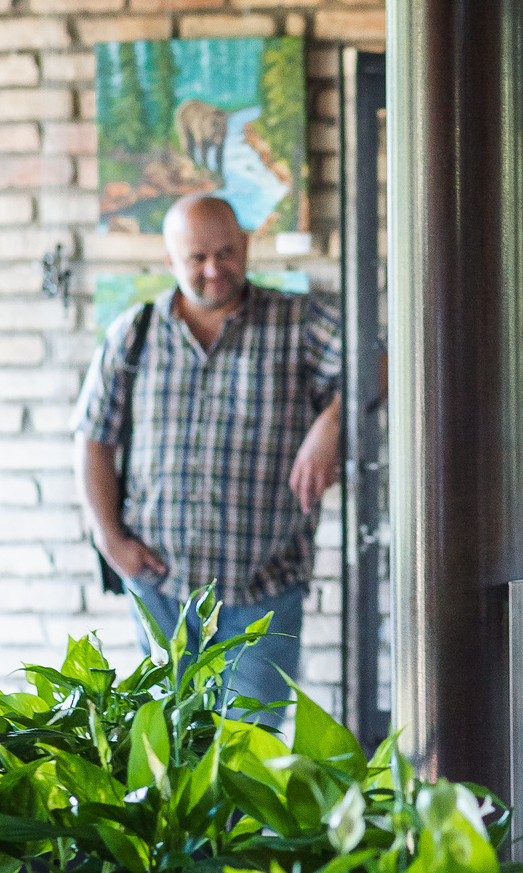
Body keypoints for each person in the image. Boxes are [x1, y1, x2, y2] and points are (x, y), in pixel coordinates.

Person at [75, 195, 342, 714]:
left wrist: (331, 423)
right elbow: (92, 439)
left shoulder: (298, 323)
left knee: (249, 755)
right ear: (171, 259)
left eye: (225, 252)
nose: (214, 269)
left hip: (263, 587)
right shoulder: (134, 333)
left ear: (245, 246)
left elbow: (381, 360)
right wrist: (110, 541)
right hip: (158, 587)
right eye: (197, 258)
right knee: (170, 759)